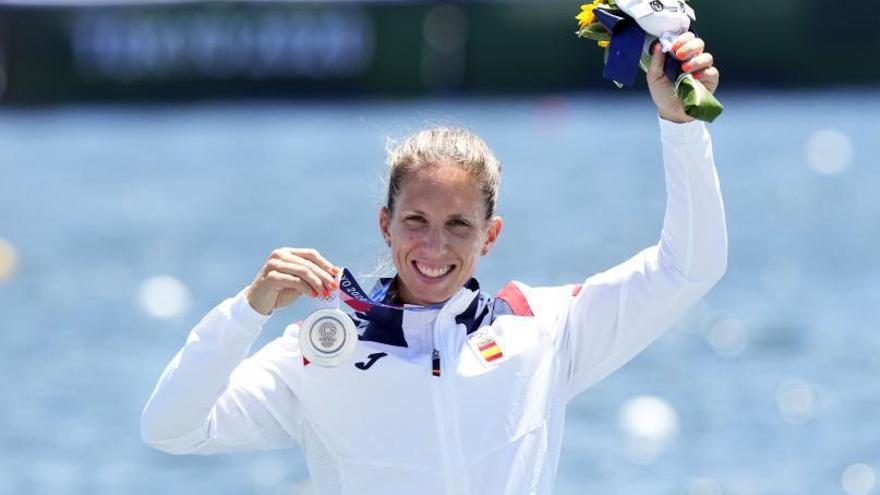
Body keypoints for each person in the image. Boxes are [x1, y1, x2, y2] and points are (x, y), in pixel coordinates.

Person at [141, 33, 726, 494]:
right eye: (415, 221)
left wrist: (682, 126)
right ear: (385, 225)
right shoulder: (322, 348)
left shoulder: (544, 330)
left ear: (490, 237)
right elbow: (170, 429)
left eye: (458, 226)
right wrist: (246, 311)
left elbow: (691, 267)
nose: (434, 247)